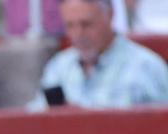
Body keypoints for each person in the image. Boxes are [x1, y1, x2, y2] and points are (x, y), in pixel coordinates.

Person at [30, 0, 168, 108]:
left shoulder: (146, 67)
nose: (78, 34)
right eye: (70, 25)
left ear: (110, 15)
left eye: (86, 24)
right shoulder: (59, 67)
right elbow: (34, 119)